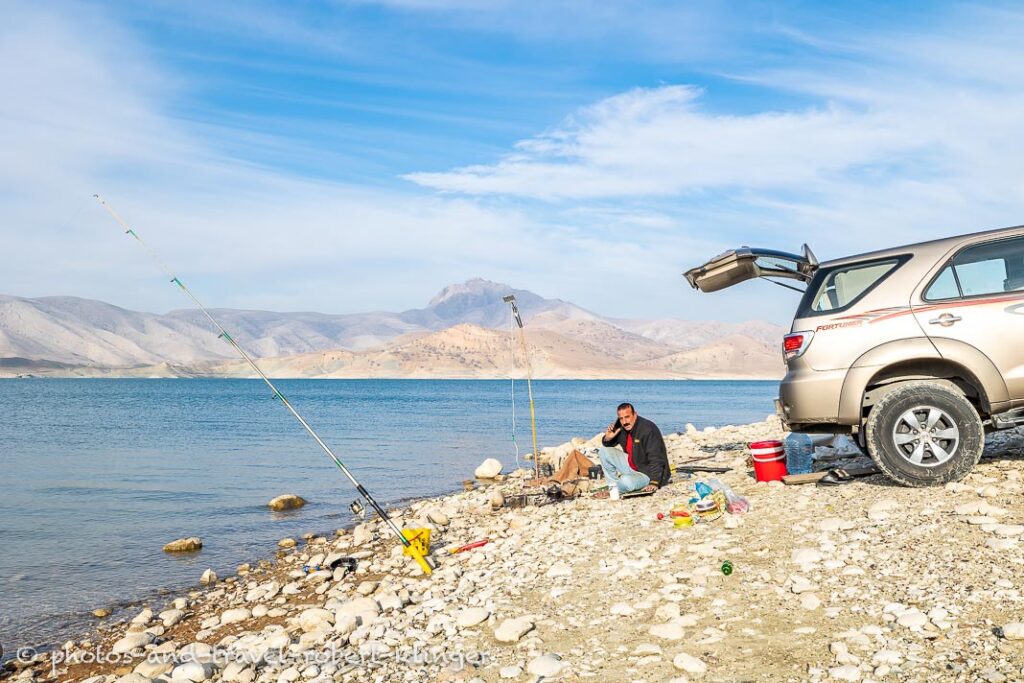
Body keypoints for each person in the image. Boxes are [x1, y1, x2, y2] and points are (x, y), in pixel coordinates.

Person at [596, 403, 670, 496]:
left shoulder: (647, 429)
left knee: (626, 481)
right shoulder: (622, 427)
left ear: (635, 414)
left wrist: (654, 482)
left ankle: (615, 489)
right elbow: (608, 444)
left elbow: (656, 457)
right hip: (632, 464)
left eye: (627, 417)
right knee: (603, 451)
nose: (624, 421)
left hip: (647, 473)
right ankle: (613, 484)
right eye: (621, 418)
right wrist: (608, 438)